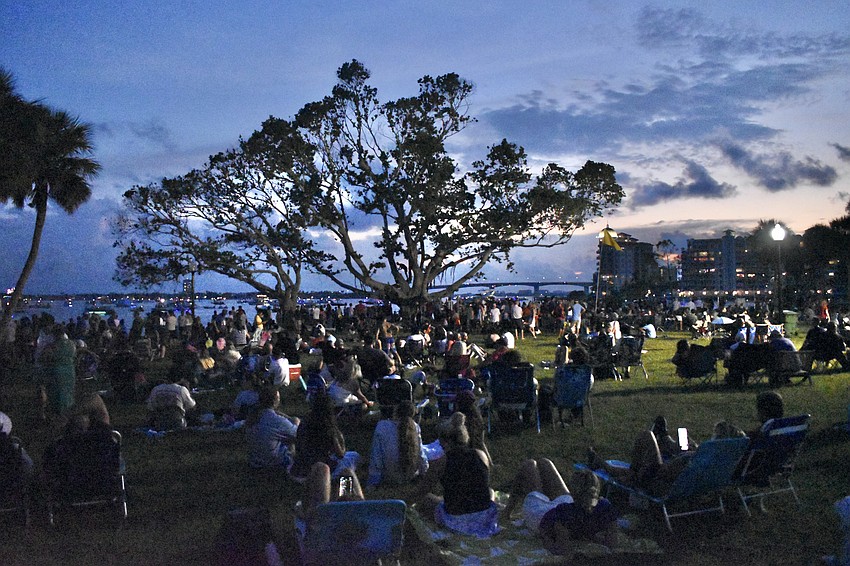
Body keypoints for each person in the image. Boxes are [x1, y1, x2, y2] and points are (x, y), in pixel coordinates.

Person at [502, 459, 619, 556]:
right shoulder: (606, 508)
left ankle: (507, 512)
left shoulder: (565, 514)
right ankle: (506, 511)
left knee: (529, 465)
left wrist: (546, 539)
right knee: (545, 463)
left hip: (539, 517)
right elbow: (612, 542)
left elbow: (560, 548)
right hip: (566, 507)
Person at [417, 412, 498, 538]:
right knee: (490, 491)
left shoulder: (442, 462)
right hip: (485, 517)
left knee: (426, 499)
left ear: (446, 441)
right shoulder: (481, 455)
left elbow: (421, 491)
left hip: (457, 520)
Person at [289, 391, 359, 482]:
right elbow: (340, 454)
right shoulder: (328, 427)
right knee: (354, 456)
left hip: (298, 468)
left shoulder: (305, 421)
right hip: (320, 471)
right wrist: (341, 438)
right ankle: (344, 487)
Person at [366, 400, 428, 488]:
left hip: (388, 477)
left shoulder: (382, 426)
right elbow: (421, 455)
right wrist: (424, 474)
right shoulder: (415, 427)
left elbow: (376, 457)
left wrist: (372, 482)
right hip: (410, 476)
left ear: (395, 412)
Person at [245, 386, 300, 470]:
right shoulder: (277, 421)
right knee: (290, 439)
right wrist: (296, 421)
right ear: (274, 401)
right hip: (272, 463)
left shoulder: (254, 417)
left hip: (255, 460)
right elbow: (298, 434)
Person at [37, 324, 77, 418]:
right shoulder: (72, 344)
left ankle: (58, 415)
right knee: (68, 392)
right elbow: (74, 356)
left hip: (56, 371)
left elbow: (42, 359)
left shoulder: (51, 346)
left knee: (56, 393)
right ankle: (68, 413)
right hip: (70, 371)